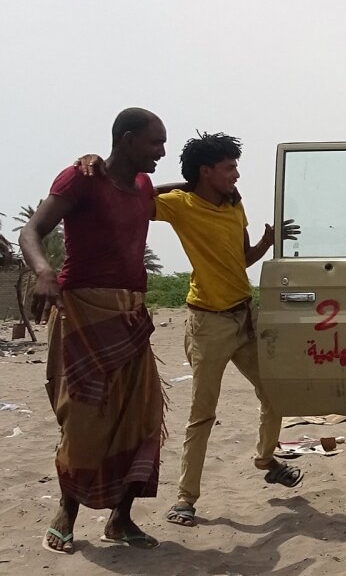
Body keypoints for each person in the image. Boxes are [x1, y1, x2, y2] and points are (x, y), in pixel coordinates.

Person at [79, 132, 302, 528]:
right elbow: (136, 194)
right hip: (208, 323)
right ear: (206, 171)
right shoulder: (180, 204)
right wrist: (184, 184)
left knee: (276, 394)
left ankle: (266, 459)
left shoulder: (234, 204)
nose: (236, 175)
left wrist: (268, 241)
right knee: (203, 414)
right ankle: (186, 498)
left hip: (244, 317)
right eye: (229, 168)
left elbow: (241, 259)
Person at [21, 107, 168, 554]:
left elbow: (166, 192)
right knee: (84, 419)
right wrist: (44, 272)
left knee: (142, 419)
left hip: (131, 316)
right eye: (155, 143)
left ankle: (121, 520)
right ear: (127, 139)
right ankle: (65, 514)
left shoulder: (142, 185)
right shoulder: (81, 178)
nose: (162, 152)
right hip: (83, 313)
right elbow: (31, 231)